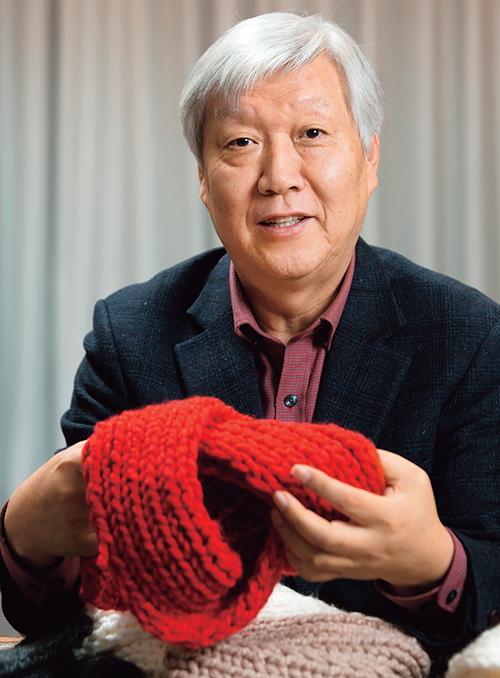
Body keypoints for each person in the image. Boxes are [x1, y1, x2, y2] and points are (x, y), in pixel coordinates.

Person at [1, 11, 499, 665]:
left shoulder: (468, 335)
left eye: (312, 133)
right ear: (203, 180)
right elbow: (65, 615)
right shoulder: (131, 333)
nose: (277, 176)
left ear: (370, 157)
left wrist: (431, 561)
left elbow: (490, 570)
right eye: (240, 143)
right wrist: (23, 534)